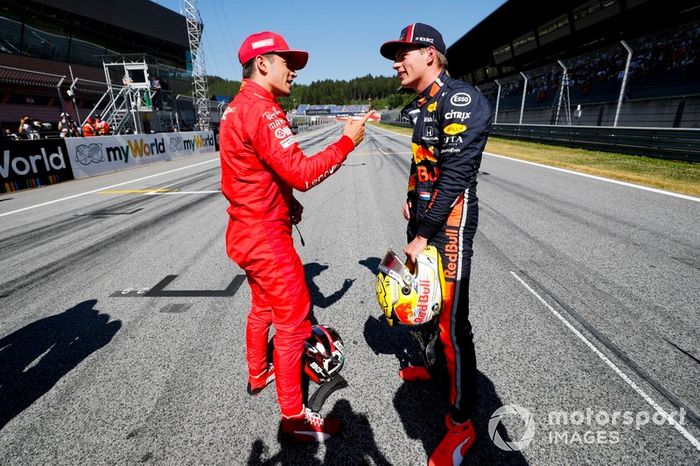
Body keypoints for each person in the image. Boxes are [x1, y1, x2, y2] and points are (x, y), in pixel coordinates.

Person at [219, 31, 372, 443]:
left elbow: (256, 172)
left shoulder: (234, 108)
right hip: (265, 235)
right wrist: (346, 142)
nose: (294, 71)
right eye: (287, 62)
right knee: (295, 323)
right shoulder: (263, 109)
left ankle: (258, 373)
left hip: (244, 229)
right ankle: (294, 419)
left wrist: (285, 203)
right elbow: (302, 173)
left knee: (263, 307)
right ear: (262, 63)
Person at [380, 23, 492, 465]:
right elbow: (422, 160)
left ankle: (462, 426)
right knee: (423, 307)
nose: (395, 62)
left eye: (403, 53)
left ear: (430, 54)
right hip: (426, 220)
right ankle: (432, 367)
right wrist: (412, 200)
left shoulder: (460, 99)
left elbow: (458, 174)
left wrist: (425, 231)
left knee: (451, 325)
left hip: (449, 226)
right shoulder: (422, 104)